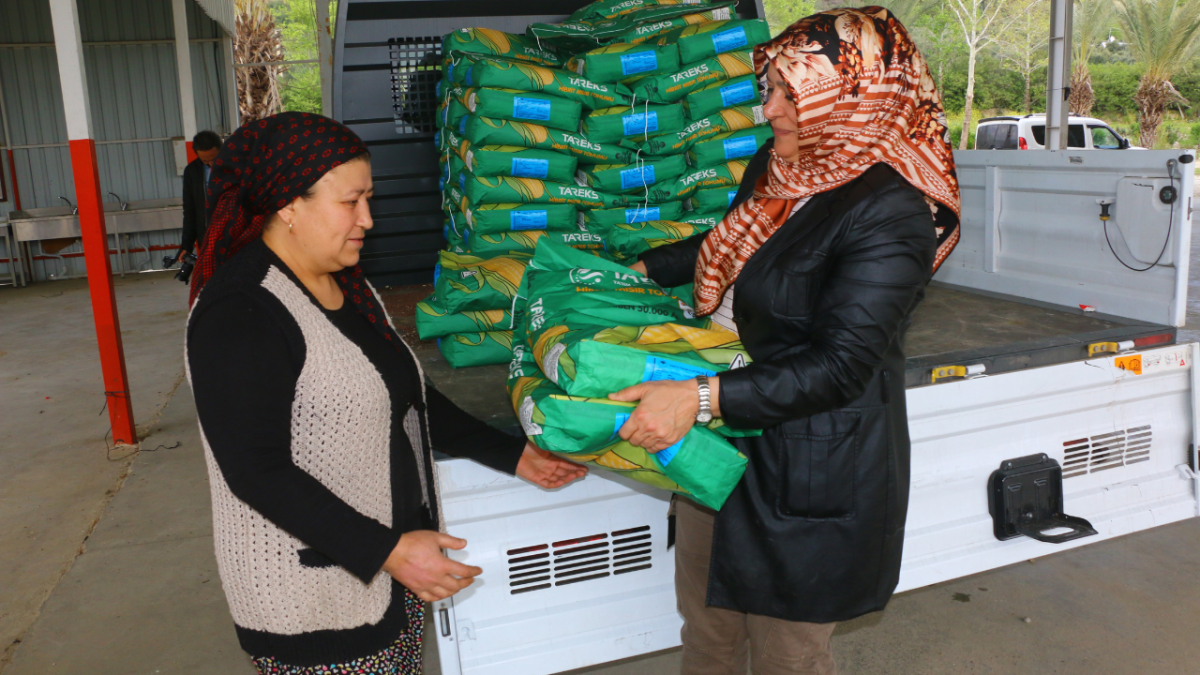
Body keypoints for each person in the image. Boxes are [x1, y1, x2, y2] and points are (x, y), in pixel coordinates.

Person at [614, 9, 962, 674]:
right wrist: (644, 270)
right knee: (708, 634)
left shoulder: (891, 211)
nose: (767, 108)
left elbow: (840, 365)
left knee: (787, 655)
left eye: (786, 92)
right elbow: (731, 242)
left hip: (805, 465)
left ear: (850, 95)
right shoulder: (779, 168)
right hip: (722, 439)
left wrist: (699, 397)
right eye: (767, 89)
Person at [185, 112, 587, 674]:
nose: (367, 220)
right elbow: (254, 470)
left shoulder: (341, 282)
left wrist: (513, 454)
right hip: (315, 607)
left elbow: (407, 397)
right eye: (351, 202)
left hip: (385, 579)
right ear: (288, 206)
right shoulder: (242, 310)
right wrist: (389, 552)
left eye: (368, 199)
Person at [180, 130, 223, 256]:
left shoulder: (237, 167)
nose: (211, 164)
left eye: (215, 159)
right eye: (205, 161)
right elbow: (190, 210)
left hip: (236, 236)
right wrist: (186, 246)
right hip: (208, 237)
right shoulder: (192, 172)